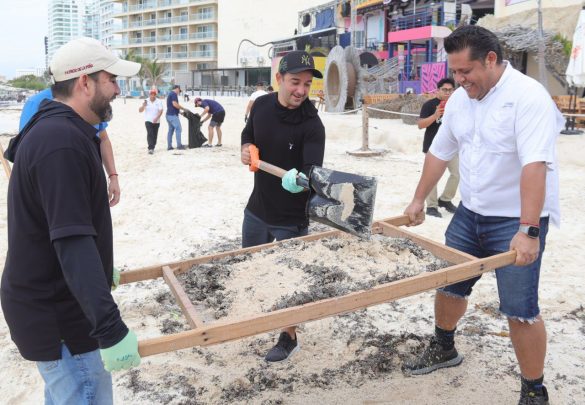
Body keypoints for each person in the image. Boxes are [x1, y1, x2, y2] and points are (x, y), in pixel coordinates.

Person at [402, 26, 563, 404]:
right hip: (469, 213)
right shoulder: (460, 100)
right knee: (449, 285)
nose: (459, 80)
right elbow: (439, 152)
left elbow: (535, 166)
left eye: (466, 71)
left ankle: (533, 390)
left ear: (491, 60)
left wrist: (529, 230)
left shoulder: (528, 97)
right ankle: (444, 347)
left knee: (520, 310)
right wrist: (418, 200)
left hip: (516, 220)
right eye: (454, 72)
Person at [1, 37, 142, 404]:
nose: (117, 90)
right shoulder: (60, 143)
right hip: (60, 318)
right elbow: (71, 242)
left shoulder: (61, 130)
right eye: (112, 80)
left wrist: (101, 266)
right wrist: (110, 330)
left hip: (55, 303)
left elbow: (61, 226)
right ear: (84, 83)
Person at [240, 50, 326, 363]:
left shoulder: (312, 124)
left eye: (307, 84)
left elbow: (313, 173)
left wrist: (300, 179)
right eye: (295, 82)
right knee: (251, 267)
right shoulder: (262, 106)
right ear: (279, 79)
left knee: (288, 279)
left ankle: (289, 337)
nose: (301, 90)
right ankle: (261, 318)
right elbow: (248, 134)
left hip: (291, 217)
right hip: (257, 209)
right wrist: (246, 149)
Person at [19, 88, 122, 206]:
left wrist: (113, 176)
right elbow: (25, 150)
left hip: (91, 177)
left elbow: (103, 138)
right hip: (55, 184)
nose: (117, 90)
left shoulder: (88, 99)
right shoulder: (35, 103)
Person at [418, 77, 459, 218]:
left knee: (457, 174)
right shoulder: (429, 105)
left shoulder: (456, 105)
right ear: (438, 90)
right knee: (432, 177)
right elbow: (420, 125)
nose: (447, 93)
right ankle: (431, 206)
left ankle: (445, 199)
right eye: (444, 90)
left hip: (452, 146)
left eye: (450, 90)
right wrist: (435, 115)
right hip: (432, 147)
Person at [139, 88, 164, 154]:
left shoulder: (159, 101)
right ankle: (150, 148)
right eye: (151, 94)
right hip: (148, 120)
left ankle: (153, 145)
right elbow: (140, 111)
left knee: (155, 135)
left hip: (157, 121)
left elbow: (161, 110)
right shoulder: (146, 101)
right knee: (150, 133)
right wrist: (143, 106)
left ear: (155, 95)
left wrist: (157, 118)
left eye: (154, 94)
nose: (152, 96)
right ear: (149, 94)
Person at [166, 84, 185, 150]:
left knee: (170, 130)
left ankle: (169, 146)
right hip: (172, 115)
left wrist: (180, 112)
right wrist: (183, 108)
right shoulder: (174, 94)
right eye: (179, 91)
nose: (179, 92)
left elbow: (171, 106)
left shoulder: (170, 94)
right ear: (177, 88)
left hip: (168, 115)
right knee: (178, 129)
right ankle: (179, 145)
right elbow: (174, 104)